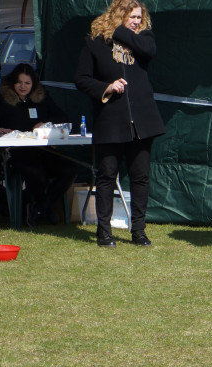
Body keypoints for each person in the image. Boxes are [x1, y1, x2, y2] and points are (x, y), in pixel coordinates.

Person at [75, 0, 165, 248]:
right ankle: (103, 232)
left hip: (143, 123)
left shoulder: (143, 39)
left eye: (139, 17)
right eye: (131, 17)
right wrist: (106, 87)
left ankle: (139, 230)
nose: (137, 21)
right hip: (111, 121)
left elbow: (148, 51)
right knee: (106, 176)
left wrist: (120, 29)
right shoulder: (94, 43)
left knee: (140, 178)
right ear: (118, 15)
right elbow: (81, 79)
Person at [0, 63, 77, 226]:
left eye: (27, 83)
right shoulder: (2, 100)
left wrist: (45, 123)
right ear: (13, 83)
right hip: (16, 154)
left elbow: (62, 118)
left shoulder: (42, 99)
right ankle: (43, 208)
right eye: (19, 82)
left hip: (44, 151)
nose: (23, 86)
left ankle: (42, 207)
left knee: (70, 170)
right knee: (36, 173)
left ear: (33, 84)